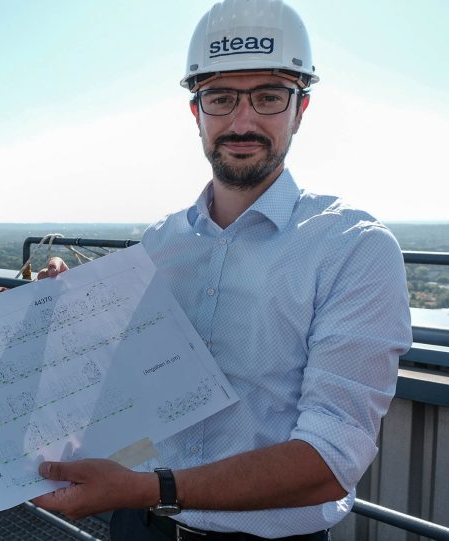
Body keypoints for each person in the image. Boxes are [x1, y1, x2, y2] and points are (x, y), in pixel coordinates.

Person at [31, 1, 412, 540]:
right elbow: (129, 376)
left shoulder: (354, 249)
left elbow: (329, 461)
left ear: (301, 108)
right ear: (196, 112)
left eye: (268, 96)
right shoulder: (161, 242)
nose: (242, 120)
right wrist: (75, 313)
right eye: (221, 97)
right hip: (140, 526)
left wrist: (150, 489)